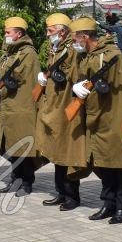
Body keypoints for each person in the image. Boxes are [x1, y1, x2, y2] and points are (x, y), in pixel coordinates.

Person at [71, 15, 122, 225]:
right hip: (97, 117)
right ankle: (108, 203)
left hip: (115, 115)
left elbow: (115, 88)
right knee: (104, 163)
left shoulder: (111, 55)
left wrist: (88, 89)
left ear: (84, 37)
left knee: (120, 163)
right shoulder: (87, 55)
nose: (73, 42)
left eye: (75, 38)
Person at [35, 13, 86, 210]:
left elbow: (73, 75)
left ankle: (72, 196)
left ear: (62, 31)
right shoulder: (55, 49)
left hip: (66, 104)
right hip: (54, 104)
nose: (48, 35)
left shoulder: (71, 50)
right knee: (57, 152)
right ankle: (61, 193)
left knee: (67, 151)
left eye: (50, 30)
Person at [0, 17, 42, 196]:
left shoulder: (28, 53)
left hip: (21, 105)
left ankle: (26, 182)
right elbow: (0, 72)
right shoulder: (9, 53)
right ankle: (15, 178)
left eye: (8, 32)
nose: (5, 35)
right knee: (10, 145)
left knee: (21, 146)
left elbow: (19, 78)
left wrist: (1, 84)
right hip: (7, 105)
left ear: (19, 33)